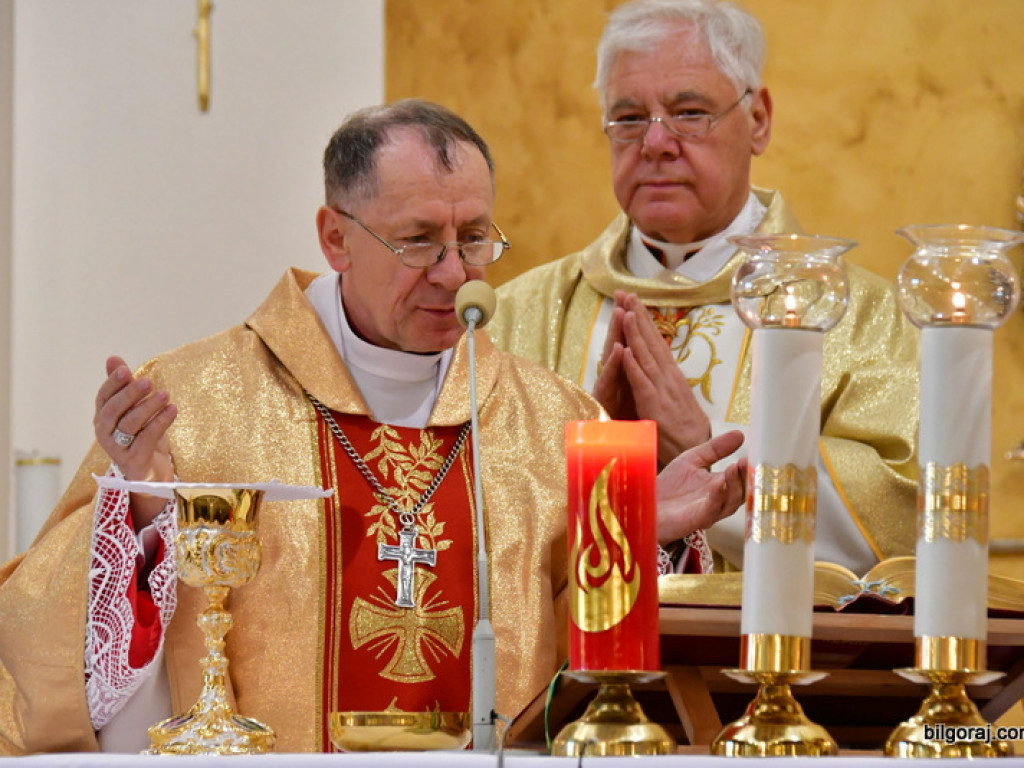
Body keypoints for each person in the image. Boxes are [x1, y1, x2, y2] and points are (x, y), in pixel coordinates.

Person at [0, 100, 746, 754]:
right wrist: (140, 509)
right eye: (418, 240)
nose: (457, 275)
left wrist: (639, 528)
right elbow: (39, 659)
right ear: (334, 237)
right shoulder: (190, 403)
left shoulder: (555, 419)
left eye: (477, 238)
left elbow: (600, 693)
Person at [488, 0, 919, 575]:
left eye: (689, 112)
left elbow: (892, 517)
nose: (656, 143)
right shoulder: (517, 313)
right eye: (629, 118)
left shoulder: (857, 314)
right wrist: (596, 467)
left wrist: (707, 449)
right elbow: (475, 514)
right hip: (570, 658)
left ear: (758, 120)